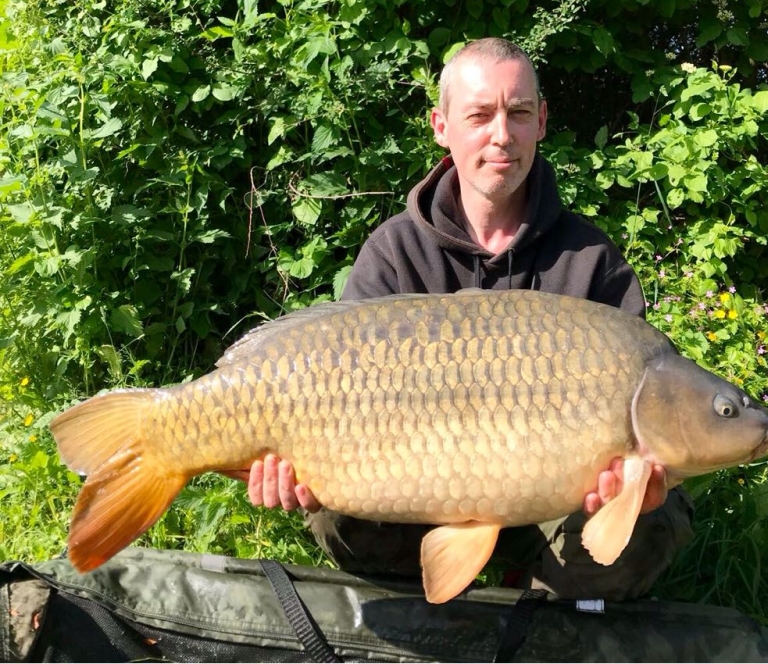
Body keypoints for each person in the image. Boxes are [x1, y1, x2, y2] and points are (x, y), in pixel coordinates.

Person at [247, 37, 694, 601]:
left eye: (519, 113)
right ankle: (425, 596)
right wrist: (303, 472)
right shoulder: (395, 252)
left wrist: (634, 488)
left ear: (541, 122)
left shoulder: (591, 261)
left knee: (651, 517)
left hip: (554, 506)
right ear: (441, 126)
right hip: (417, 491)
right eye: (480, 115)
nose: (501, 135)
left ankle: (531, 596)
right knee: (336, 511)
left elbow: (647, 418)